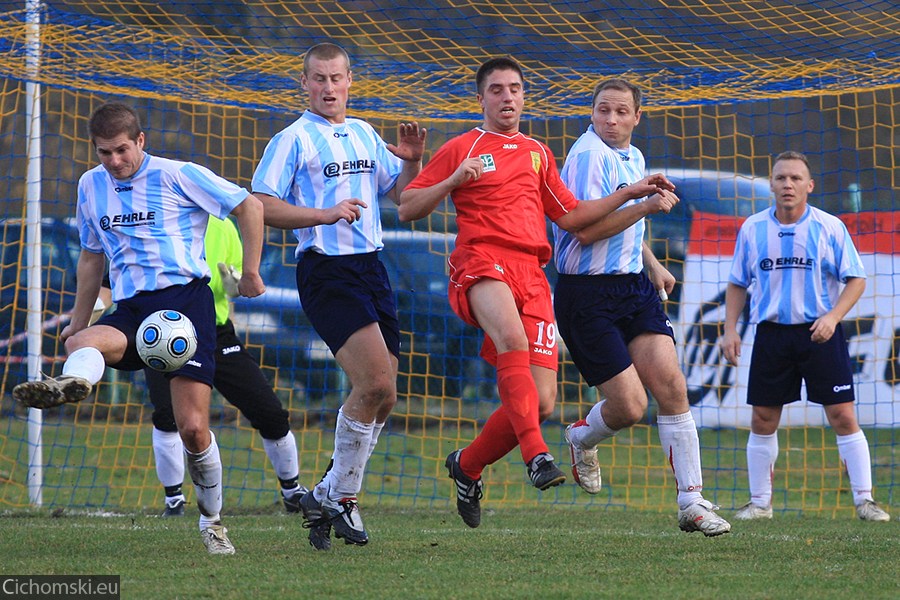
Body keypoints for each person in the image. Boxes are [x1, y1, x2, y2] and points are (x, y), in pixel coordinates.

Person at [398, 58, 671, 529]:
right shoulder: (464, 146)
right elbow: (407, 207)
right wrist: (450, 179)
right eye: (497, 90)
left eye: (515, 89)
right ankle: (537, 456)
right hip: (481, 260)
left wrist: (632, 195)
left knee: (541, 402)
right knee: (513, 342)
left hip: (532, 273)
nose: (507, 97)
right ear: (480, 98)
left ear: (524, 97)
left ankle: (466, 466)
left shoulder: (538, 153)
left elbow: (572, 217)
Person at [12, 102, 266, 555]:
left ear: (141, 141)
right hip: (132, 308)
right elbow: (91, 258)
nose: (113, 161)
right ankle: (72, 381)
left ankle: (212, 522)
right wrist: (75, 326)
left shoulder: (178, 174)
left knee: (192, 429)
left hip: (186, 305)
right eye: (103, 152)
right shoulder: (90, 185)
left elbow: (248, 206)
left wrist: (250, 271)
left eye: (121, 150)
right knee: (86, 341)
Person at [251, 42, 425, 550]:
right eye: (318, 79)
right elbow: (261, 204)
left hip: (372, 267)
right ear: (303, 83)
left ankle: (327, 494)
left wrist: (412, 164)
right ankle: (341, 497)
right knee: (372, 382)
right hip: (326, 270)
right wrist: (323, 215)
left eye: (336, 78)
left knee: (386, 394)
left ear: (351, 80)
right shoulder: (293, 140)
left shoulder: (367, 133)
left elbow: (400, 198)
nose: (328, 88)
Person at [552, 78, 731, 537]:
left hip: (633, 288)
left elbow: (624, 225)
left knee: (671, 385)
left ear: (636, 116)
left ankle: (692, 502)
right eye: (602, 111)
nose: (610, 120)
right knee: (630, 406)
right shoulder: (589, 155)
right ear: (591, 113)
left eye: (620, 112)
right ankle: (579, 437)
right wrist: (647, 205)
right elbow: (586, 232)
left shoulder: (633, 157)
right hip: (587, 294)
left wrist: (651, 263)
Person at [720, 150, 890, 522]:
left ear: (809, 186)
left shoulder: (828, 227)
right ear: (771, 184)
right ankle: (760, 503)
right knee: (763, 418)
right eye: (781, 178)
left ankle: (865, 500)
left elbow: (856, 279)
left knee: (843, 416)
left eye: (796, 178)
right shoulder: (752, 228)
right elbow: (737, 283)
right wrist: (730, 329)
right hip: (771, 335)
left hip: (820, 333)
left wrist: (833, 316)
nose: (787, 185)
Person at [141, 216, 308, 517]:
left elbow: (234, 286)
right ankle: (174, 501)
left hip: (216, 334)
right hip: (167, 336)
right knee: (167, 416)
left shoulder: (224, 225)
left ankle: (293, 491)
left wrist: (234, 280)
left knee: (269, 412)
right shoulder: (158, 221)